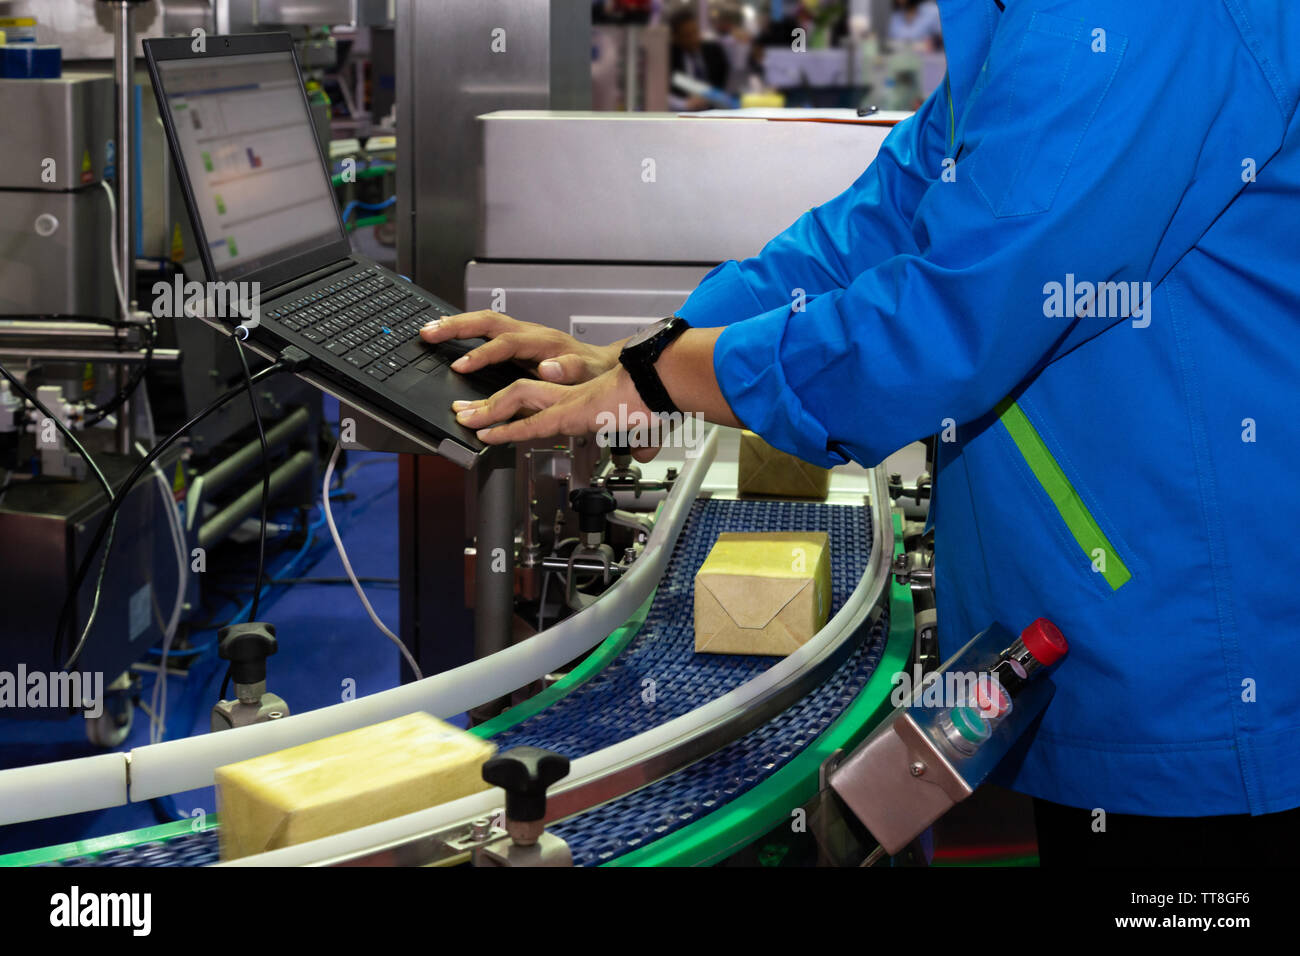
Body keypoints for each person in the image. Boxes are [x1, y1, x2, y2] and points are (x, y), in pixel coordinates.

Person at [421, 0, 1300, 865]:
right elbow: (878, 224)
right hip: (1111, 606)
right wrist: (645, 353)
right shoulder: (1026, 20)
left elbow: (947, 318)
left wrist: (667, 379)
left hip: (1196, 645)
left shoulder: (1136, 18)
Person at [667, 8, 730, 111]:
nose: (694, 38)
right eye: (687, 35)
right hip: (684, 114)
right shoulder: (670, 58)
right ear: (675, 38)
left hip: (716, 110)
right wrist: (684, 104)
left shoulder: (714, 51)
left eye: (695, 32)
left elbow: (724, 83)